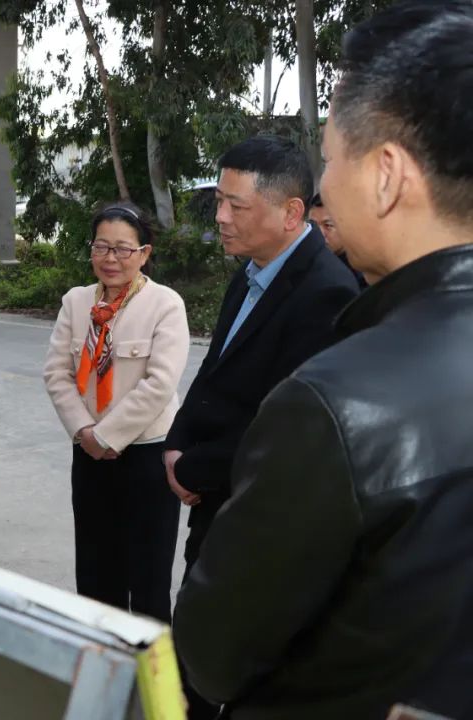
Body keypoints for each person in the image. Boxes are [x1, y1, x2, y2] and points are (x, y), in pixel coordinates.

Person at [174, 4, 473, 718]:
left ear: (387, 175)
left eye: (333, 159)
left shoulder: (339, 404)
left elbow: (214, 651)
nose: (323, 189)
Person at [163, 136, 359, 719]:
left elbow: (284, 426)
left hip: (258, 519)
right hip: (214, 503)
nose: (220, 217)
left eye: (236, 205)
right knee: (193, 655)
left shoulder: (326, 292)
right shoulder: (253, 271)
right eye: (219, 201)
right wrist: (176, 441)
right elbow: (214, 370)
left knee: (219, 671)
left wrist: (194, 467)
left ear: (291, 212)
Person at [43, 202, 189, 622]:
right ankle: (98, 656)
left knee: (148, 580)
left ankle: (149, 664)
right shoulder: (75, 303)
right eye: (101, 247)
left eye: (123, 249)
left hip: (146, 458)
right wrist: (85, 432)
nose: (111, 258)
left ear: (144, 253)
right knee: (94, 574)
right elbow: (56, 373)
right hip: (89, 455)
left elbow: (160, 383)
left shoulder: (165, 304)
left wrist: (108, 436)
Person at [309, 193, 367, 289]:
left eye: (328, 225)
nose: (319, 233)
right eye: (313, 225)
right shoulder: (305, 262)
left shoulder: (362, 274)